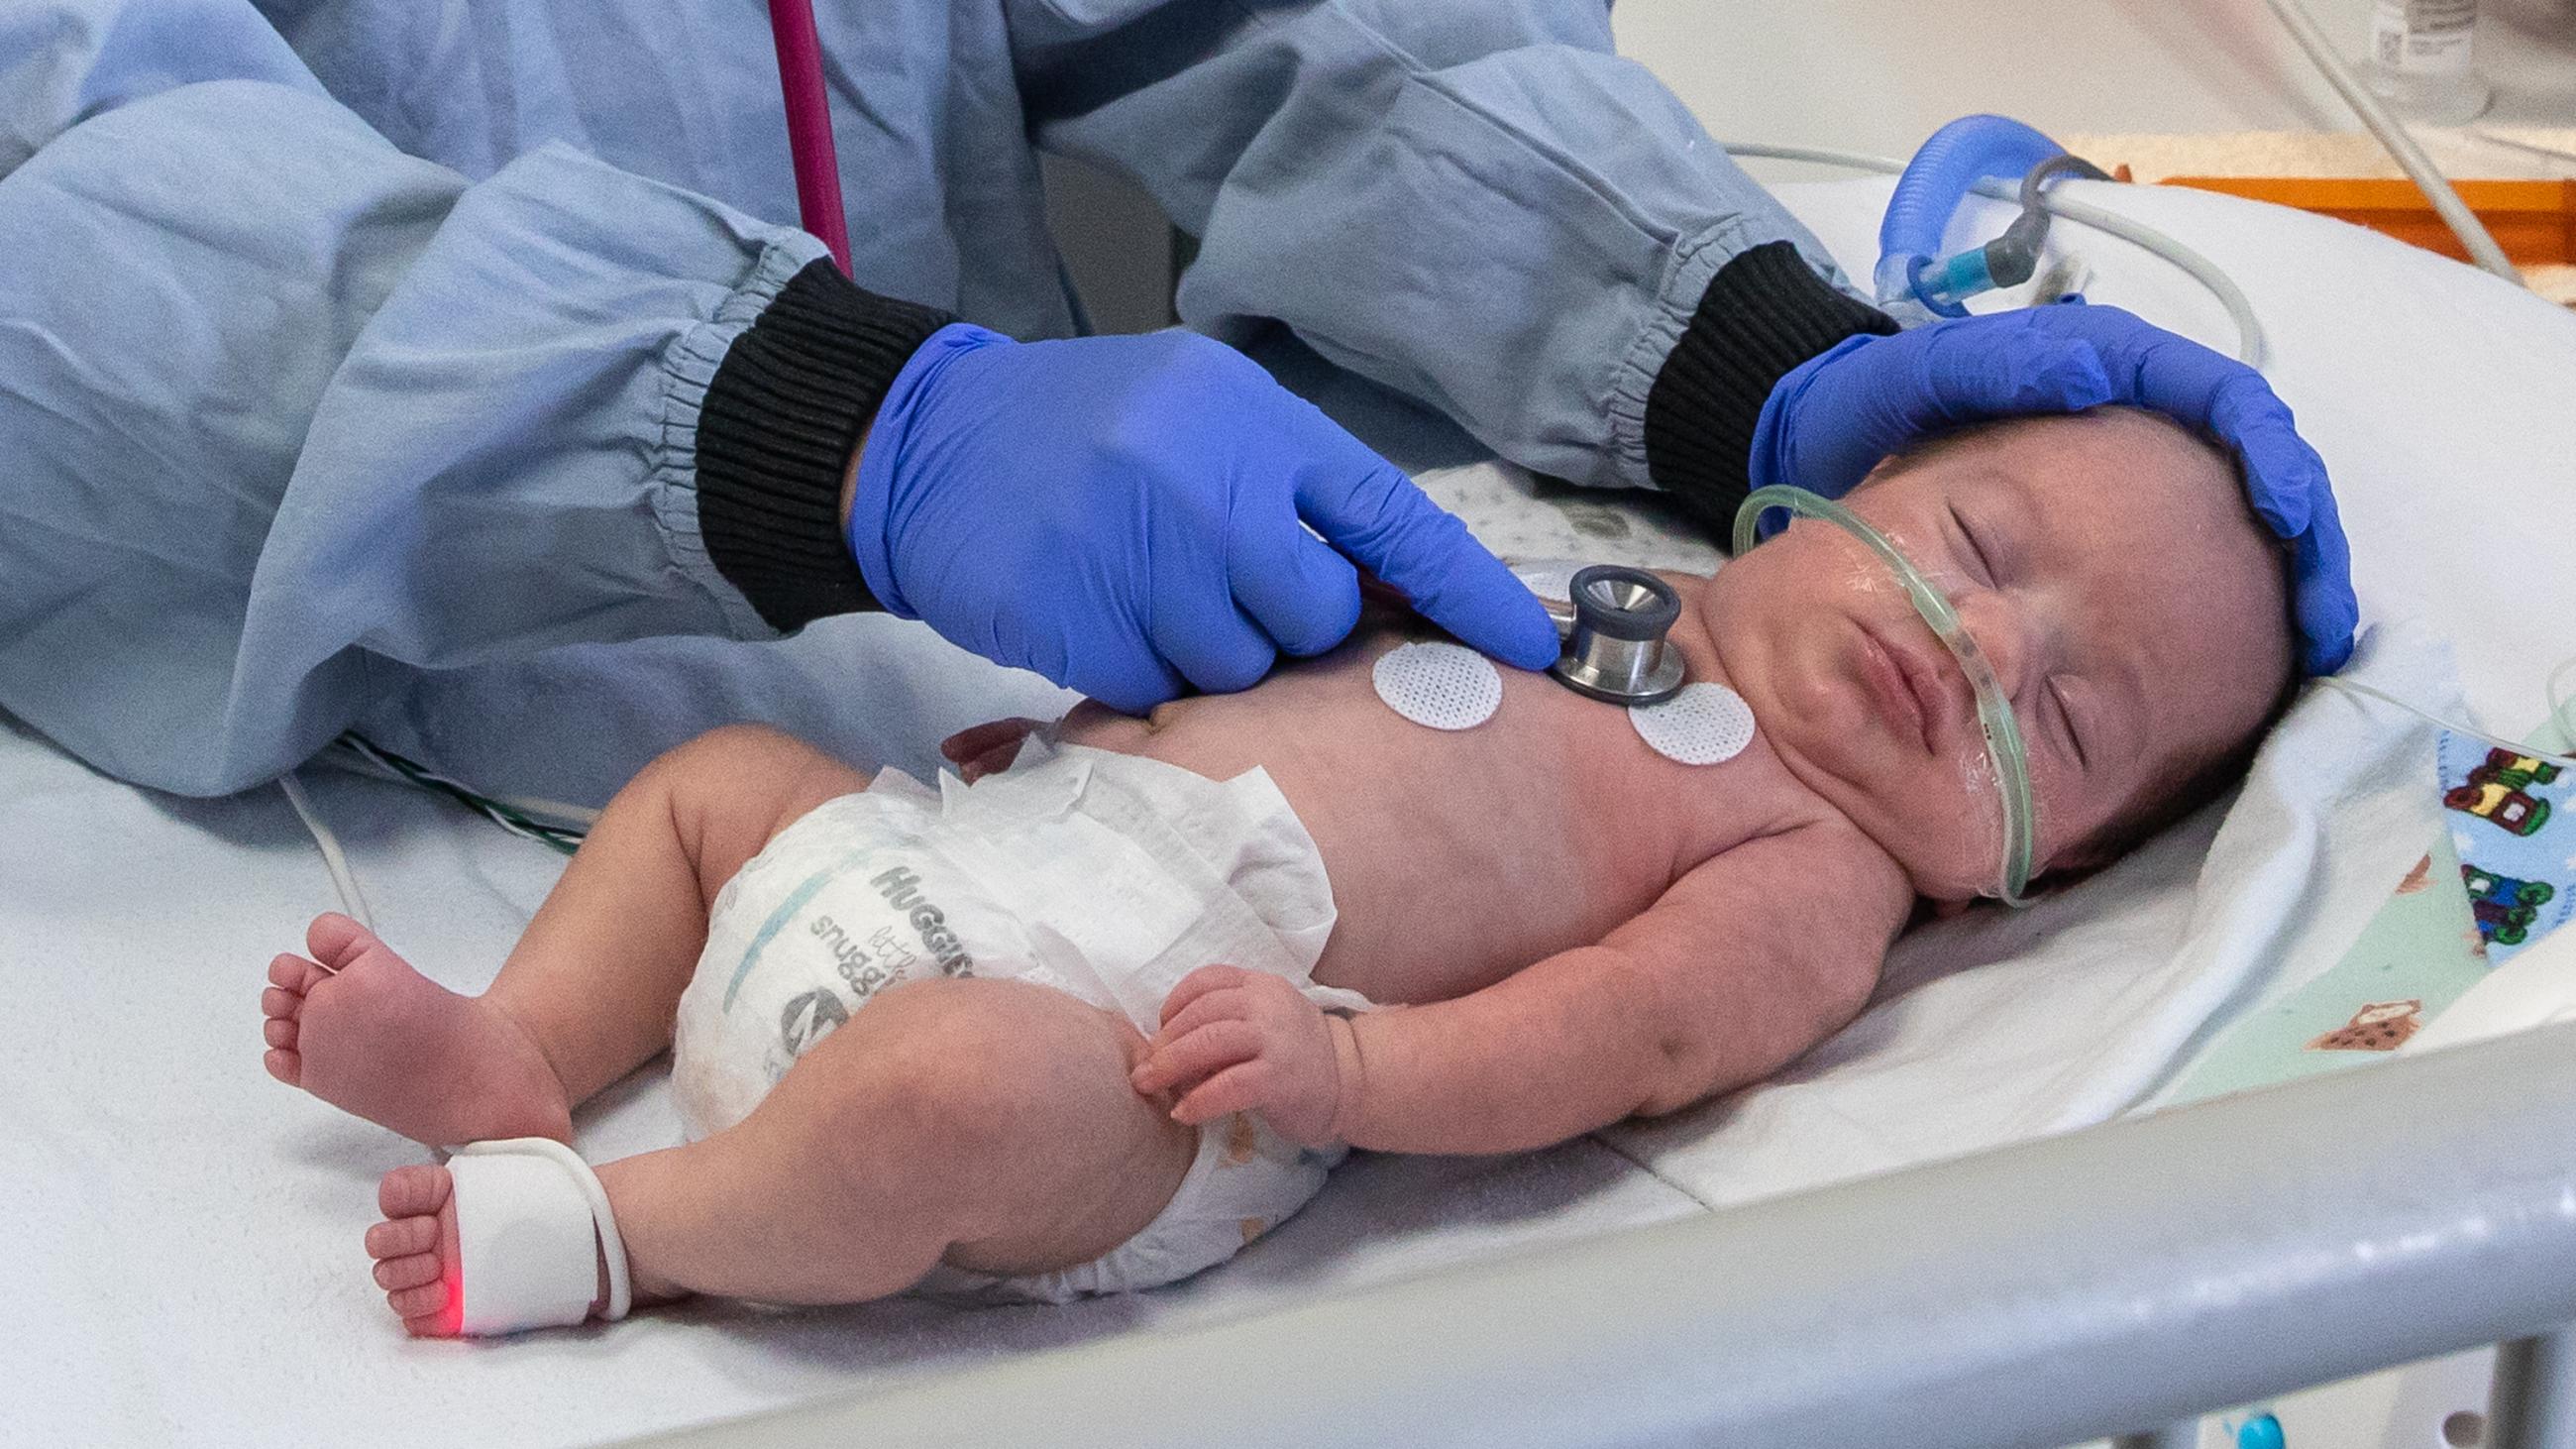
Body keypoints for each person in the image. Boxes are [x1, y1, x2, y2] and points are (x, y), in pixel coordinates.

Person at [259, 407, 2310, 1333]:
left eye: (2070, 716)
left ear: (2042, 866)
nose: (1980, 649)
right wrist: (1070, 755)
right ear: (1852, 484)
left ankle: (627, 1222)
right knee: (716, 781)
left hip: (1146, 1073)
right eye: (1977, 543)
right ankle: (517, 1047)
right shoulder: (1583, 575)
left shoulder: (1814, 865)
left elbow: (1615, 1031)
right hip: (957, 848)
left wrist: (1353, 1076)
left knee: (944, 1091)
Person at [0, 0, 2351, 807]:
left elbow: (1283, 25)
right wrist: (817, 428)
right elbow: (65, 204)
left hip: (997, 702)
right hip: (286, 757)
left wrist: (1728, 341)